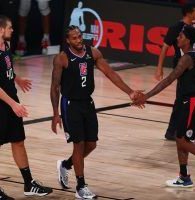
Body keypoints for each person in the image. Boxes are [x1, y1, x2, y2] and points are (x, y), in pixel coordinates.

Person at [50, 25, 142, 199]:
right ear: (68, 41)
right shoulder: (62, 58)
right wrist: (56, 113)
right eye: (74, 38)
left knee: (91, 144)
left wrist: (129, 91)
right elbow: (55, 87)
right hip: (70, 104)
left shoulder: (93, 52)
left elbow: (110, 73)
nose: (79, 40)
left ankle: (65, 164)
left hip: (88, 102)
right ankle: (81, 186)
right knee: (79, 144)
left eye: (80, 36)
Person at [135, 25, 195, 187]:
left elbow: (169, 79)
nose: (177, 38)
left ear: (188, 40)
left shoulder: (186, 58)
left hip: (192, 101)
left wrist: (147, 96)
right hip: (192, 99)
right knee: (180, 137)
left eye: (181, 36)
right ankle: (184, 177)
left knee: (183, 141)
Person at [0, 15, 52, 199]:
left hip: (11, 100)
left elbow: (7, 70)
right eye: (10, 28)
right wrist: (13, 104)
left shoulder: (5, 46)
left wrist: (17, 79)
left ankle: (29, 183)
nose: (13, 30)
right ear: (1, 30)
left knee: (18, 141)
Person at [154, 4, 195, 145]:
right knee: (188, 97)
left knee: (183, 98)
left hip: (193, 61)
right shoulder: (177, 28)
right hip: (182, 64)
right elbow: (165, 47)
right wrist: (159, 67)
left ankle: (172, 131)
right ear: (188, 13)